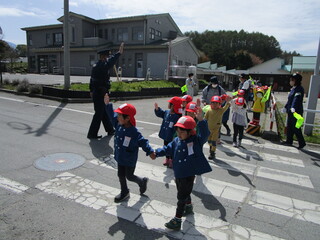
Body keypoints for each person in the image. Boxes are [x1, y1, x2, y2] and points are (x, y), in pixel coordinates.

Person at [154, 113, 212, 231]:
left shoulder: (196, 141)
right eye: (178, 131)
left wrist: (202, 121)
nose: (179, 134)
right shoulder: (176, 140)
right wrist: (156, 153)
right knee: (183, 191)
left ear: (190, 131)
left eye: (182, 132)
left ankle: (177, 219)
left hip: (188, 174)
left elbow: (205, 134)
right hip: (178, 172)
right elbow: (167, 148)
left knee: (181, 196)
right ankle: (189, 206)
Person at [104, 95, 156, 202]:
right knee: (120, 175)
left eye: (119, 115)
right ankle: (125, 191)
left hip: (129, 158)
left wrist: (150, 151)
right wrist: (107, 104)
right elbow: (111, 115)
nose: (117, 117)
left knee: (129, 176)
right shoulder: (119, 124)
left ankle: (141, 181)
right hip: (120, 156)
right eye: (118, 115)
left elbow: (143, 141)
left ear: (127, 118)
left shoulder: (133, 132)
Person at [87, 43, 124, 139]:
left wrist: (91, 90)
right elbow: (110, 63)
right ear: (103, 57)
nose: (108, 58)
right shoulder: (102, 65)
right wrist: (119, 53)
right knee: (99, 113)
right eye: (107, 56)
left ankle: (110, 130)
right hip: (100, 93)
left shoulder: (96, 65)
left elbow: (92, 79)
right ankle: (92, 134)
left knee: (103, 112)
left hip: (97, 92)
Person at [154, 96, 183, 168]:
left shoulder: (177, 116)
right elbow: (161, 113)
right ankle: (167, 158)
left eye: (170, 103)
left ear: (173, 105)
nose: (168, 104)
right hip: (165, 134)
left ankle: (172, 160)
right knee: (165, 146)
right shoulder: (166, 112)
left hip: (172, 136)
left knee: (172, 148)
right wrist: (157, 109)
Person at [282, 73, 306, 149]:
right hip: (290, 111)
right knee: (289, 126)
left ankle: (302, 143)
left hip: (296, 112)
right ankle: (289, 141)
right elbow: (290, 100)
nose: (290, 81)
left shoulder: (299, 89)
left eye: (292, 80)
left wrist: (293, 107)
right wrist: (285, 107)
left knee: (296, 127)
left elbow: (296, 99)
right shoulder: (294, 89)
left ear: (297, 81)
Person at [205, 95, 231, 160]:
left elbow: (225, 107)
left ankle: (212, 153)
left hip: (216, 129)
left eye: (217, 103)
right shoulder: (209, 111)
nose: (215, 104)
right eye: (213, 103)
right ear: (211, 103)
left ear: (220, 104)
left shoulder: (220, 110)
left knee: (214, 141)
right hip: (208, 129)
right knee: (209, 141)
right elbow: (205, 119)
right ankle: (211, 149)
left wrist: (227, 102)